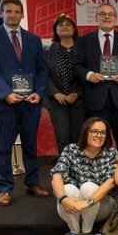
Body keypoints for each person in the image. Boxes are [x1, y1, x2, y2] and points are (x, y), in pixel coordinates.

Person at [0, 0, 49, 206]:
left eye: (16, 11)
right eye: (8, 11)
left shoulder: (33, 39)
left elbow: (41, 69)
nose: (12, 15)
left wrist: (38, 92)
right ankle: (4, 189)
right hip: (4, 103)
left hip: (30, 103)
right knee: (4, 147)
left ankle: (33, 183)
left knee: (30, 146)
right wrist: (5, 93)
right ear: (1, 14)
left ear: (22, 14)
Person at [75, 3, 118, 151]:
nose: (107, 16)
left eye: (110, 14)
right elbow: (77, 66)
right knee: (97, 141)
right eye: (102, 14)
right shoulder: (84, 41)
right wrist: (89, 75)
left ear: (116, 18)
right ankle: (99, 172)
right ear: (96, 18)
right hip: (96, 98)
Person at [50, 117, 117, 234]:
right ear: (86, 132)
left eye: (103, 132)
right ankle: (74, 231)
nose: (99, 135)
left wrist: (86, 203)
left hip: (100, 206)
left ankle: (87, 232)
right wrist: (63, 199)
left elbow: (111, 182)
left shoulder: (111, 153)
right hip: (71, 208)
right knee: (67, 188)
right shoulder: (71, 149)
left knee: (88, 187)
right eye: (94, 131)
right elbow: (57, 176)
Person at [45, 14, 86, 154]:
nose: (64, 27)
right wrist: (55, 93)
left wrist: (76, 93)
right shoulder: (49, 50)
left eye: (68, 24)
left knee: (79, 136)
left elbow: (87, 73)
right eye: (60, 25)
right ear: (55, 30)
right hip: (57, 101)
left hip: (80, 100)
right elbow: (45, 75)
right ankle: (65, 167)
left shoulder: (83, 49)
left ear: (74, 29)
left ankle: (79, 166)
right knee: (62, 136)